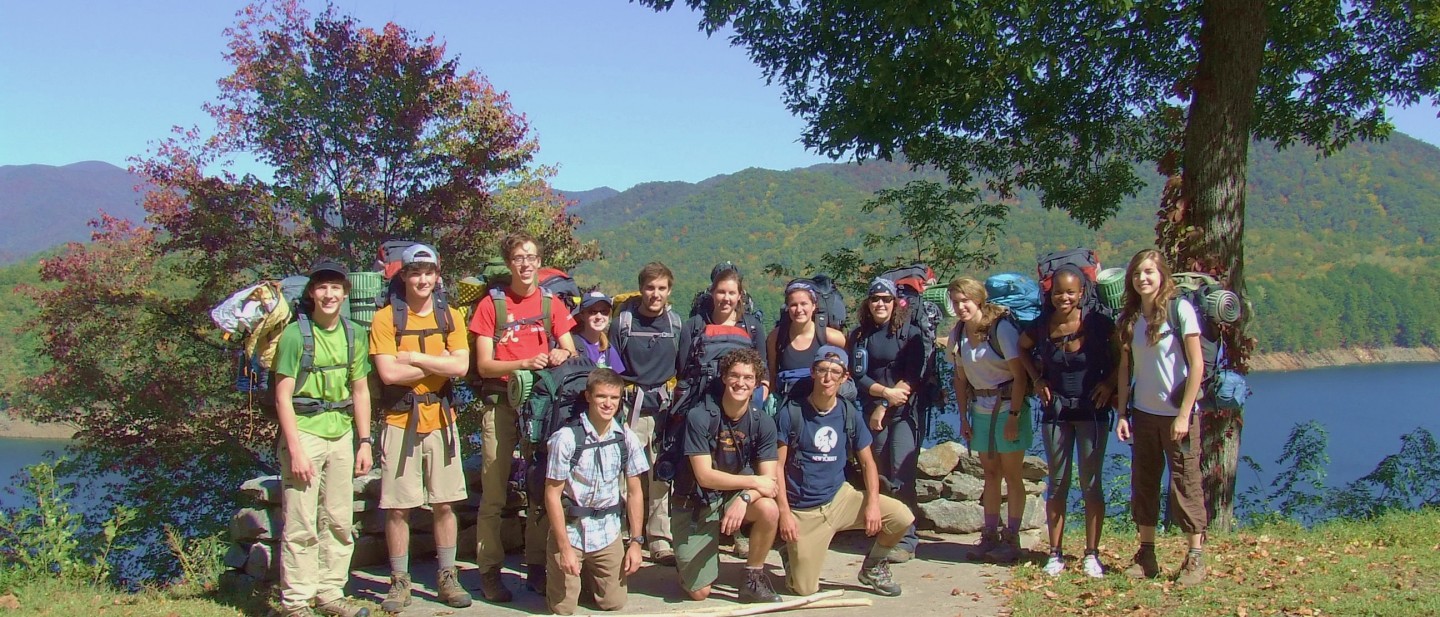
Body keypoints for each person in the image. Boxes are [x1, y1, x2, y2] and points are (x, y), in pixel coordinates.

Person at [469, 232, 579, 600]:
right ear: (509, 262)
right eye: (519, 257)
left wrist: (562, 354)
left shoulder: (551, 304)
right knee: (495, 494)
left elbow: (569, 346)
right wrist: (524, 362)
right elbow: (484, 365)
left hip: (541, 408)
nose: (526, 263)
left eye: (532, 256)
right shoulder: (492, 306)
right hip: (501, 404)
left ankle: (536, 566)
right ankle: (489, 571)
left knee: (539, 487)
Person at [369, 244, 472, 611]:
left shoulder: (452, 316)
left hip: (442, 419)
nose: (423, 279)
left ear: (437, 275)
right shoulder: (386, 319)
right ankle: (399, 582)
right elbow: (388, 374)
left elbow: (461, 368)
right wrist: (437, 363)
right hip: (400, 420)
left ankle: (448, 576)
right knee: (398, 507)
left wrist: (413, 357)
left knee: (445, 504)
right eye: (415, 273)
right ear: (405, 276)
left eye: (429, 272)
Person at [273, 259, 374, 617]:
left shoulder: (354, 335)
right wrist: (296, 450)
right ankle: (296, 601)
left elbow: (360, 390)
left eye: (335, 288)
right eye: (322, 287)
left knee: (339, 518)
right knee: (301, 522)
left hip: (342, 433)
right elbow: (283, 396)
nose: (329, 294)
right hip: (306, 432)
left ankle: (330, 593)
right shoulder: (293, 336)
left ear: (346, 293)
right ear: (312, 293)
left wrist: (365, 441)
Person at [775, 345, 913, 597]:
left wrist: (872, 503)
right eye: (822, 370)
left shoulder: (849, 413)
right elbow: (777, 466)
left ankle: (873, 567)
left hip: (841, 498)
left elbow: (868, 463)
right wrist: (784, 513)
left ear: (844, 377)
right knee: (804, 589)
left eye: (835, 372)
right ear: (813, 372)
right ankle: (790, 553)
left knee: (901, 517)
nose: (828, 377)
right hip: (804, 509)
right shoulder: (791, 413)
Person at [1114, 249, 1208, 585]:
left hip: (1177, 416)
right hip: (1143, 414)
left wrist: (1184, 414)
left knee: (1185, 483)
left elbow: (1197, 365)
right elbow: (1126, 369)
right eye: (1138, 273)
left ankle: (1195, 556)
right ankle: (1147, 554)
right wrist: (1122, 412)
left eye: (1150, 272)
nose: (1143, 279)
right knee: (1145, 483)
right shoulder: (1130, 317)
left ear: (1162, 275)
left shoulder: (1180, 310)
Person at [1018, 266, 1116, 578]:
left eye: (1071, 292)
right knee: (1058, 484)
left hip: (1092, 411)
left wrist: (1110, 384)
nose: (1064, 297)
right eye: (1059, 291)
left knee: (1091, 484)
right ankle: (1055, 553)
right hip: (1055, 412)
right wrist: (1036, 379)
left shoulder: (1097, 324)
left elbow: (1122, 358)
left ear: (1082, 293)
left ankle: (1091, 554)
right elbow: (1020, 348)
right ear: (1051, 293)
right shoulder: (1042, 325)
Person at [671, 348, 783, 603]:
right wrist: (752, 482)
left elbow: (770, 482)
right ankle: (688, 562)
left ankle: (753, 578)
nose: (740, 383)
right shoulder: (700, 416)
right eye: (734, 375)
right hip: (696, 503)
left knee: (768, 509)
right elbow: (705, 477)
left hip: (733, 498)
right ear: (723, 377)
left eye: (748, 377)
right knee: (699, 594)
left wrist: (744, 498)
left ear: (756, 383)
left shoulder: (763, 422)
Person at [543, 368, 650, 615]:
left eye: (614, 398)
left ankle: (590, 579)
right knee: (562, 609)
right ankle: (563, 578)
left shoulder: (626, 439)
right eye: (601, 396)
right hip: (572, 531)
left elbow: (635, 492)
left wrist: (635, 542)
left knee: (613, 603)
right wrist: (564, 548)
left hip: (607, 532)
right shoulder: (566, 439)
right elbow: (552, 495)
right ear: (588, 396)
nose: (608, 403)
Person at [947, 276, 1033, 564]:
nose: (961, 307)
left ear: (978, 300)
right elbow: (960, 380)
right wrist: (963, 417)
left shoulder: (1001, 330)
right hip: (981, 410)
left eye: (965, 301)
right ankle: (990, 534)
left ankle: (1012, 536)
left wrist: (1014, 416)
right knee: (991, 474)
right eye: (956, 302)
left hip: (1008, 406)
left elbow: (1019, 375)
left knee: (1012, 474)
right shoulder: (958, 334)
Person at [608, 262, 682, 566]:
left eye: (662, 288)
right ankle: (626, 533)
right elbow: (611, 368)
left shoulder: (675, 325)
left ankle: (659, 538)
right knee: (627, 474)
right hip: (630, 408)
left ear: (669, 290)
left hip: (663, 408)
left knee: (660, 473)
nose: (656, 294)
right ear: (641, 289)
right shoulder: (623, 324)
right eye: (650, 287)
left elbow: (682, 366)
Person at [848, 277, 926, 562]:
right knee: (879, 475)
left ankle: (907, 539)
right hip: (872, 413)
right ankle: (885, 532)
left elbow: (913, 375)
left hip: (903, 412)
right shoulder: (860, 336)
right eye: (875, 299)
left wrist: (885, 403)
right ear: (867, 303)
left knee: (901, 473)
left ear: (896, 303)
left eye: (886, 299)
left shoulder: (910, 333)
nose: (880, 304)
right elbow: (857, 375)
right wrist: (882, 395)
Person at [766, 280, 847, 399]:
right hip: (787, 405)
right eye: (793, 305)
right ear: (787, 307)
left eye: (804, 304)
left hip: (822, 406)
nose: (799, 310)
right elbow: (772, 374)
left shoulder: (832, 337)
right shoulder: (776, 337)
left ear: (814, 306)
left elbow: (847, 371)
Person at [572, 291, 626, 372]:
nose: (599, 316)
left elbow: (616, 379)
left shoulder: (607, 348)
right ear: (582, 315)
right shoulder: (572, 344)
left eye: (604, 311)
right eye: (593, 312)